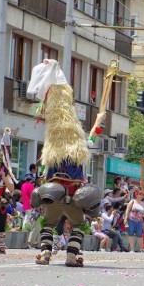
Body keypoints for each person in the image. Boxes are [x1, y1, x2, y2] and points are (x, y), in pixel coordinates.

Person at [29, 59, 104, 266]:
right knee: (79, 225)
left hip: (52, 194)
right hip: (72, 195)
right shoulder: (80, 145)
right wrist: (98, 122)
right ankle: (71, 255)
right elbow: (91, 139)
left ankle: (45, 254)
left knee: (49, 223)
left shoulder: (51, 145)